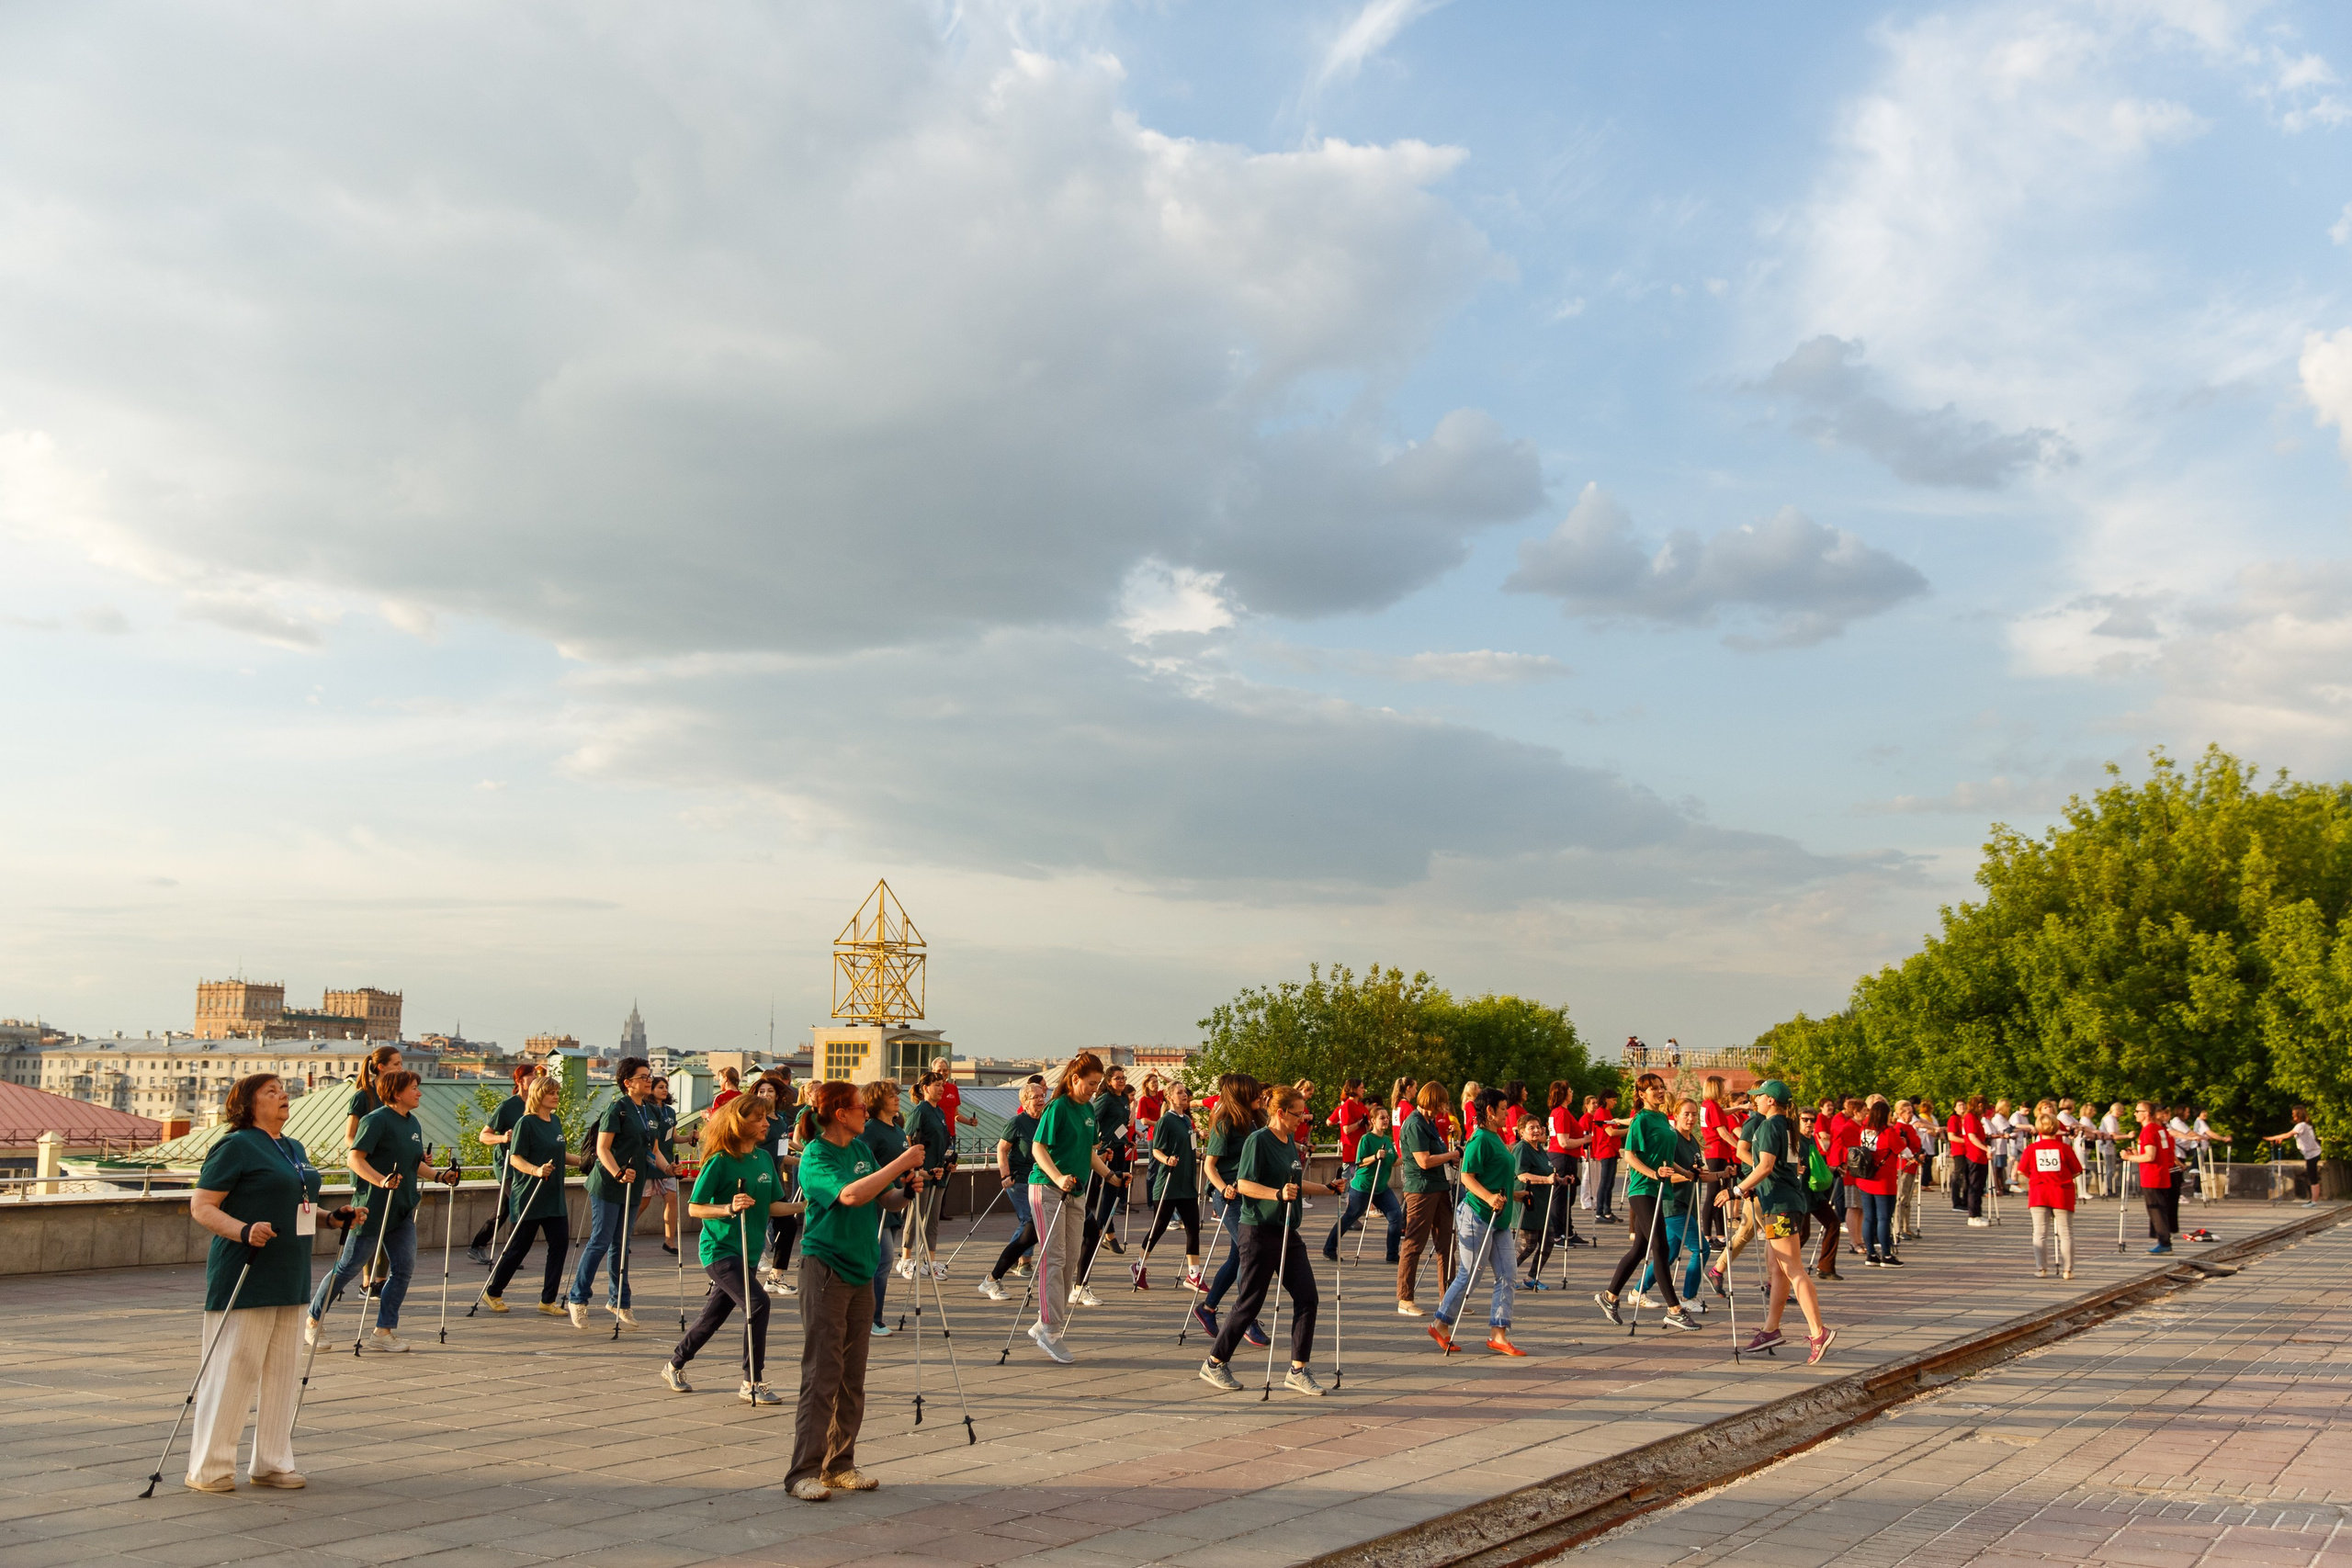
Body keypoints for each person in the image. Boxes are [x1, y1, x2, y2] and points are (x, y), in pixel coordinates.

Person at [185, 1073, 335, 1492]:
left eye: (283, 1089)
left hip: (290, 1273)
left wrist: (330, 1218)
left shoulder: (294, 1148)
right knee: (235, 1371)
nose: (284, 1095)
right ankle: (210, 1468)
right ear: (248, 1104)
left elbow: (301, 1206)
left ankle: (272, 1462)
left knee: (283, 1374)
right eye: (271, 1091)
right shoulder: (235, 1146)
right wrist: (243, 1229)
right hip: (245, 1272)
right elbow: (201, 1205)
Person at [786, 1078, 929, 1501]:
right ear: (839, 1114)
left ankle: (840, 1463)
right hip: (826, 1270)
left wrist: (906, 1191)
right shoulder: (816, 1155)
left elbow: (882, 1198)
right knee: (822, 1373)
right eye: (858, 1107)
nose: (866, 1112)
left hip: (862, 1269)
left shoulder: (863, 1150)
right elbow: (849, 1195)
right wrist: (900, 1162)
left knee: (853, 1375)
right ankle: (802, 1472)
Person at [1199, 1085, 1340, 1393]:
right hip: (1258, 1230)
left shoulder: (1289, 1141)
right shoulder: (1258, 1140)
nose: (1302, 1119)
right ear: (1280, 1112)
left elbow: (1294, 1183)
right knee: (1250, 1302)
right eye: (1297, 1114)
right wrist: (1276, 1195)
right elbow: (1246, 1184)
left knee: (1307, 1298)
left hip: (1288, 1231)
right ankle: (1214, 1363)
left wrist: (1327, 1188)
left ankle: (1298, 1370)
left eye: (1303, 1113)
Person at [666, 1094, 805, 1403]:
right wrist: (729, 1207)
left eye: (766, 1118)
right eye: (759, 1118)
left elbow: (773, 1206)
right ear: (740, 1123)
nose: (766, 1123)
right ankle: (751, 1382)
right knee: (759, 1304)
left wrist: (807, 1205)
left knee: (712, 1317)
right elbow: (695, 1208)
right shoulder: (719, 1161)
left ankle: (675, 1362)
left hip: (750, 1252)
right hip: (719, 1251)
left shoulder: (764, 1159)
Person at [309, 1068, 424, 1353]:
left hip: (402, 1209)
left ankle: (383, 1331)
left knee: (404, 1268)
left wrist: (440, 1175)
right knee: (348, 1267)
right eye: (413, 1088)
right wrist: (381, 1181)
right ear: (397, 1093)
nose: (419, 1092)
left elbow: (414, 1164)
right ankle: (312, 1320)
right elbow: (354, 1159)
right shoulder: (376, 1121)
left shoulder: (413, 1124)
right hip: (371, 1208)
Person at [1720, 1079, 1833, 1364]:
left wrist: (1737, 1188)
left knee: (1792, 1268)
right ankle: (1771, 1329)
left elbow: (1766, 1166)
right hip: (1783, 1201)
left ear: (1770, 1100)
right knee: (1776, 1268)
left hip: (1781, 1206)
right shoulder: (1790, 1126)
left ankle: (1818, 1332)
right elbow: (1791, 1167)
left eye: (1759, 1097)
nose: (1754, 1101)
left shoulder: (1770, 1126)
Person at [1028, 1051, 1121, 1363]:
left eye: (1097, 1085)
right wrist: (1057, 1176)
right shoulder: (1057, 1107)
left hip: (1076, 1191)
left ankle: (1046, 1322)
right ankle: (1051, 1329)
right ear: (1074, 1079)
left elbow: (1088, 1151)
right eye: (1090, 1084)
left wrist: (1108, 1175)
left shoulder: (1089, 1109)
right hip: (1047, 1187)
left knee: (1070, 1256)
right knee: (1053, 1257)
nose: (1093, 1090)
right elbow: (1037, 1146)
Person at [567, 1056, 669, 1329]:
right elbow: (602, 1149)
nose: (649, 1080)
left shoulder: (651, 1112)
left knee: (622, 1244)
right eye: (643, 1077)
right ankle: (578, 1298)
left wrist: (669, 1168)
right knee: (601, 1240)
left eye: (650, 1075)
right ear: (628, 1083)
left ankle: (620, 1301)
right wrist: (618, 1172)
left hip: (634, 1185)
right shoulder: (617, 1109)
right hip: (609, 1183)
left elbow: (653, 1151)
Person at [1594, 1073, 1702, 1332]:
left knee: (1640, 1250)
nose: (1660, 1091)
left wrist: (1687, 1172)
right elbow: (1628, 1155)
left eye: (1662, 1087)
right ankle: (1675, 1310)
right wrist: (1653, 1174)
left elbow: (1664, 1158)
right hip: (1643, 1190)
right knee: (1661, 1248)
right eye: (1654, 1089)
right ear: (1642, 1094)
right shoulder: (1641, 1120)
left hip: (1658, 1189)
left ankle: (1609, 1296)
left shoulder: (1663, 1118)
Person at [1431, 1088, 1531, 1353]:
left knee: (1508, 1274)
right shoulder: (1480, 1140)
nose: (1506, 1114)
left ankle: (1498, 1333)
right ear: (1489, 1111)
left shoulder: (1496, 1138)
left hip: (1499, 1218)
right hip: (1477, 1215)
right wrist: (1488, 1197)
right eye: (1502, 1110)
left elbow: (1497, 1174)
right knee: (1471, 1273)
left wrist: (1516, 1194)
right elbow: (1467, 1176)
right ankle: (1440, 1323)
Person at [482, 1075, 575, 1315]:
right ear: (538, 1095)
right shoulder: (526, 1123)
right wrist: (535, 1170)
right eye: (551, 1092)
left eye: (557, 1092)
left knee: (559, 1245)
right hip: (529, 1195)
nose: (556, 1096)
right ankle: (493, 1292)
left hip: (554, 1196)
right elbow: (515, 1158)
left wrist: (590, 1161)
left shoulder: (555, 1121)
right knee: (518, 1248)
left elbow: (561, 1154)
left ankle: (548, 1300)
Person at [1191, 1073, 1269, 1348]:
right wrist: (1223, 1188)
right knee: (1251, 1253)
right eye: (1255, 1092)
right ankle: (1246, 1317)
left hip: (1252, 1197)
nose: (1260, 1096)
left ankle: (1208, 1308)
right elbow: (1209, 1165)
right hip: (1231, 1198)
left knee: (1238, 1256)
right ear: (1241, 1095)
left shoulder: (1257, 1120)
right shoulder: (1225, 1123)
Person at [1634, 1096, 1709, 1309]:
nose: (1691, 1118)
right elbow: (1667, 1175)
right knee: (1701, 1248)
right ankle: (1688, 1298)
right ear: (1675, 1116)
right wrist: (1688, 1176)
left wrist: (1723, 1173)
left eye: (1694, 1114)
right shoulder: (1672, 1139)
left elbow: (1699, 1174)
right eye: (1686, 1114)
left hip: (1689, 1203)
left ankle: (1637, 1290)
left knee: (1669, 1254)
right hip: (1673, 1204)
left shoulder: (1692, 1140)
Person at [977, 1078, 1046, 1301]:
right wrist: (1005, 1175)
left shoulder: (1045, 1120)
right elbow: (1002, 1149)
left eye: (1043, 1096)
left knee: (1031, 1227)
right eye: (1036, 1098)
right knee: (1030, 1222)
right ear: (1025, 1102)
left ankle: (1008, 1269)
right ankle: (1005, 1271)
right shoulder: (1017, 1122)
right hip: (1019, 1181)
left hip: (1040, 1181)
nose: (1041, 1101)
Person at [1395, 1080, 1461, 1316]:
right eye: (1442, 1101)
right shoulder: (1414, 1124)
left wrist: (1450, 1158)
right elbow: (1423, 1160)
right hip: (1421, 1189)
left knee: (1447, 1243)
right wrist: (1452, 1154)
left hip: (1439, 1186)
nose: (1445, 1106)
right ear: (1433, 1100)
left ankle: (1449, 1298)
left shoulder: (1429, 1123)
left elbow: (1437, 1154)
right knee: (1414, 1243)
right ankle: (1405, 1298)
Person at [469, 1063, 541, 1264]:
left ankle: (477, 1245)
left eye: (537, 1075)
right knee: (520, 1205)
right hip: (507, 1166)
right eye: (531, 1075)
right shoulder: (508, 1106)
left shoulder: (536, 1105)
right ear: (520, 1081)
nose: (535, 1078)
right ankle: (510, 1255)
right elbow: (484, 1136)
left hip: (525, 1165)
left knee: (504, 1210)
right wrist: (503, 1138)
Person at [1137, 1081, 1203, 1289]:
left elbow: (1190, 1149)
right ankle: (1139, 1266)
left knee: (1193, 1227)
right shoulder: (1166, 1121)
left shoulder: (1186, 1121)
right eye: (1180, 1092)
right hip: (1168, 1184)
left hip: (1187, 1185)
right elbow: (1156, 1150)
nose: (1185, 1095)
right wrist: (1167, 1160)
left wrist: (1202, 1155)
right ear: (1170, 1097)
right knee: (1159, 1228)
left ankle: (1193, 1275)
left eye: (1185, 1092)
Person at [858, 1080, 910, 1337]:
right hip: (876, 1203)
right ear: (878, 1100)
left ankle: (872, 1315)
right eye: (891, 1096)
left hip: (895, 1200)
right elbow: (864, 1165)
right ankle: (872, 1318)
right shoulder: (870, 1130)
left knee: (884, 1262)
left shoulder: (898, 1130)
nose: (897, 1099)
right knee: (884, 1260)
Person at [1326, 1102, 1403, 1265]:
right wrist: (1375, 1157)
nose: (1386, 1120)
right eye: (1382, 1118)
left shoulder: (1387, 1140)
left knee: (1396, 1215)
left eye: (1387, 1117)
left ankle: (1392, 1254)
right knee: (1350, 1217)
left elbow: (1394, 1161)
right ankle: (1329, 1247)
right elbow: (1359, 1162)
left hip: (1381, 1188)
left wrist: (1411, 1158)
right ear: (1373, 1121)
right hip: (1363, 1187)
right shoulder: (1366, 1139)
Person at [2021, 1110, 2083, 1279]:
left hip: (2039, 1193)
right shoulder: (2065, 1148)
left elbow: (2024, 1170)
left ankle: (2042, 1268)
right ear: (2057, 1128)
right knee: (2066, 1232)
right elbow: (2077, 1170)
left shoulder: (2031, 1149)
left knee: (2039, 1233)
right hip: (2061, 1192)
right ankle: (2068, 1269)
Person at [904, 1074, 951, 1278]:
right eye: (937, 1085)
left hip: (939, 1173)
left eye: (943, 1085)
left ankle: (930, 1261)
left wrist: (949, 1162)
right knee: (917, 1214)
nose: (941, 1089)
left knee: (932, 1218)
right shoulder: (920, 1111)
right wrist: (916, 1166)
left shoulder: (939, 1111)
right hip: (923, 1172)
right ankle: (906, 1258)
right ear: (925, 1088)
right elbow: (908, 1139)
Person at [1848, 1101, 1905, 1267]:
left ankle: (1871, 1254)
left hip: (1866, 1178)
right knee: (1883, 1218)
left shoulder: (1864, 1131)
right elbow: (1901, 1150)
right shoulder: (1888, 1132)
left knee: (1869, 1217)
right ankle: (1886, 1255)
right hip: (1883, 1180)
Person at [1792, 1108, 1845, 1280]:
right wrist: (1795, 1170)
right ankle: (1783, 1266)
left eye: (1812, 1120)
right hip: (1801, 1193)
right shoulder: (1795, 1141)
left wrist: (1832, 1169)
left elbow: (1815, 1165)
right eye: (1805, 1119)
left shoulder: (1812, 1139)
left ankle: (1826, 1267)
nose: (1809, 1123)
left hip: (1814, 1192)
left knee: (1832, 1222)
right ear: (1798, 1120)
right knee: (1802, 1234)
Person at [1510, 1111, 1559, 1288]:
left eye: (1538, 1127)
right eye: (1531, 1128)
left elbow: (1548, 1172)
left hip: (1542, 1204)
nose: (1536, 1130)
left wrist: (1560, 1178)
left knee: (1548, 1241)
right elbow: (1522, 1175)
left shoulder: (1540, 1149)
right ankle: (1505, 1275)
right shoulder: (1522, 1148)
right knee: (1528, 1245)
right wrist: (1546, 1180)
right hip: (1527, 1203)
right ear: (1522, 1132)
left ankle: (1532, 1277)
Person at [2123, 1100, 2177, 1253]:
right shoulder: (2160, 1130)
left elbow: (2150, 1156)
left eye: (2137, 1111)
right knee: (2160, 1209)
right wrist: (2136, 1154)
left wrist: (2130, 1158)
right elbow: (2164, 1151)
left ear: (2146, 1114)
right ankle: (2164, 1241)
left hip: (2152, 1176)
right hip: (2161, 1174)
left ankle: (2165, 1243)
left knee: (2156, 1210)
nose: (2135, 1114)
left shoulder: (2148, 1131)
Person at [644, 1075, 681, 1255]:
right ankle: (622, 1236)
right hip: (650, 1163)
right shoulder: (646, 1110)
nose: (665, 1090)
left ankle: (670, 1241)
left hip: (667, 1163)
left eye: (666, 1087)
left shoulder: (670, 1112)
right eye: (660, 1087)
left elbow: (674, 1137)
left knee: (672, 1200)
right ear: (651, 1090)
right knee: (643, 1203)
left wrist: (689, 1138)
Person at [344, 1044, 403, 1150]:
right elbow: (349, 1138)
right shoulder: (362, 1096)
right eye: (396, 1064)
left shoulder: (399, 1095)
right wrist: (367, 1154)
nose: (401, 1069)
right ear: (381, 1067)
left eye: (401, 1064)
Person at [1698, 1076, 1735, 1245]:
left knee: (1719, 1193)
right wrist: (1740, 1148)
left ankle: (1720, 1234)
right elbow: (1723, 1132)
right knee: (1713, 1194)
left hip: (1715, 1150)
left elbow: (1721, 1114)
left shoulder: (1709, 1105)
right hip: (1717, 1150)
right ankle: (1707, 1235)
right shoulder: (1712, 1105)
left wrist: (1739, 1107)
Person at [2262, 1109, 2324, 1206]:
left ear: (2298, 1115)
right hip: (2312, 1153)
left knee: (2312, 1176)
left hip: (2312, 1154)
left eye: (2294, 1114)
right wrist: (2280, 1138)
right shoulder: (2306, 1125)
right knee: (2312, 1175)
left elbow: (2289, 1134)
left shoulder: (2301, 1125)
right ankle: (2314, 1200)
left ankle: (2314, 1201)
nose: (2292, 1116)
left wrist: (2273, 1138)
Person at [1948, 1095, 1991, 1224]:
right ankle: (1973, 1215)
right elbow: (1972, 1137)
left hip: (1979, 1155)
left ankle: (1977, 1212)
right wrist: (1985, 1148)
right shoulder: (1970, 1118)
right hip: (1975, 1154)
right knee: (1975, 1185)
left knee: (1979, 1185)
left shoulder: (1974, 1118)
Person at [1587, 1090, 1623, 1223]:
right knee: (1604, 1182)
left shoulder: (1607, 1112)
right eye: (1613, 1099)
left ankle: (1607, 1212)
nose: (1615, 1102)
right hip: (1605, 1150)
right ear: (1606, 1099)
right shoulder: (1601, 1112)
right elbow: (1611, 1132)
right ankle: (1599, 1212)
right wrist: (1630, 1129)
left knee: (1610, 1182)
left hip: (1611, 1151)